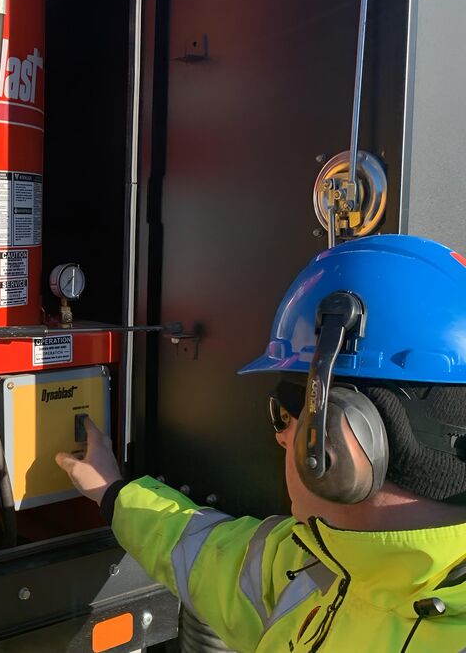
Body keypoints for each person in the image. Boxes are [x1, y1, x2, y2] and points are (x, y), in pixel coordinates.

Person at [56, 234, 466, 652]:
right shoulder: (311, 564)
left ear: (332, 438)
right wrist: (112, 491)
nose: (280, 436)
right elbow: (204, 552)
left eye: (285, 415)